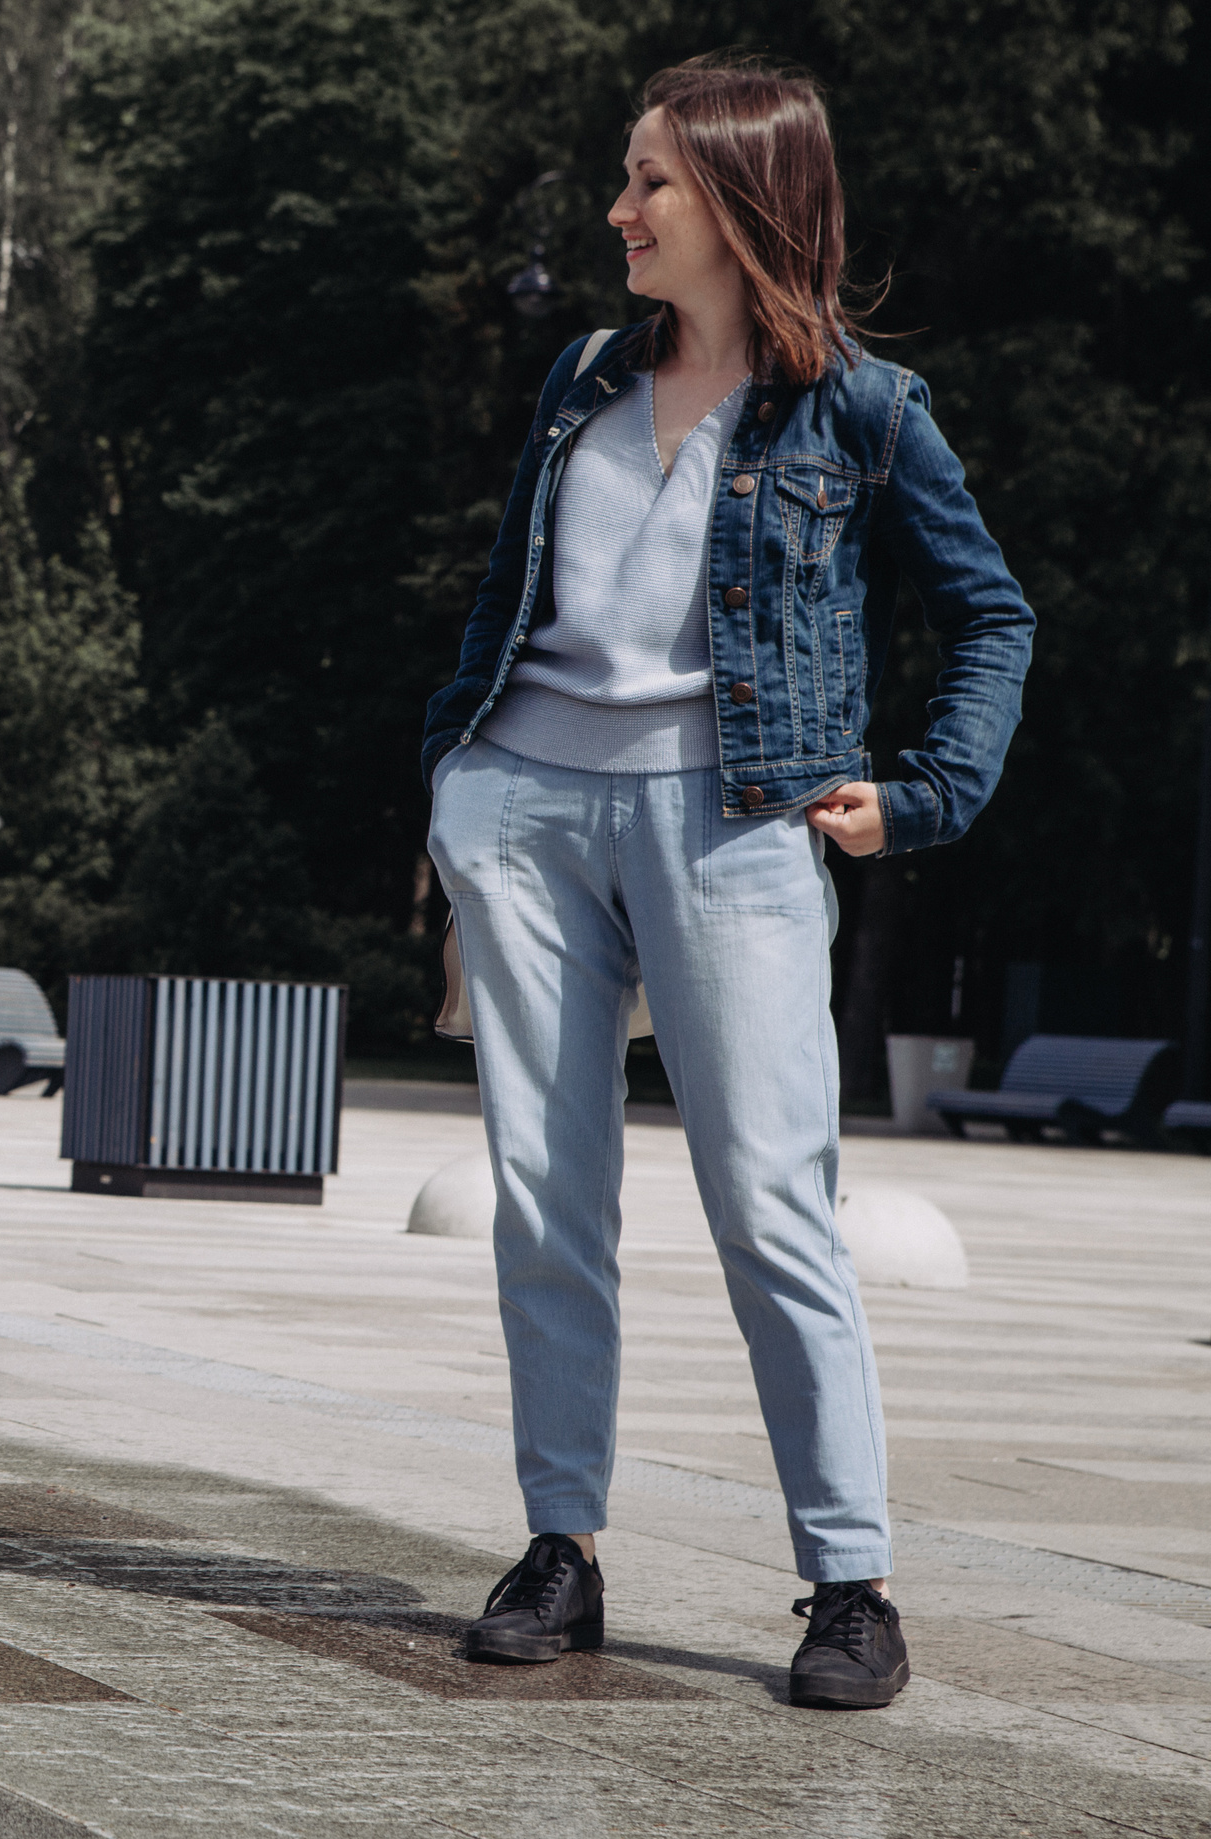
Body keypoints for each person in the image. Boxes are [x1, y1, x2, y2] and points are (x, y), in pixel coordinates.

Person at [420, 56, 1034, 1709]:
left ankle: (851, 1581)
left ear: (744, 203)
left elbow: (993, 614)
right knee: (547, 1197)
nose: (619, 210)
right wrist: (457, 782)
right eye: (626, 179)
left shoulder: (867, 410)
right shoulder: (580, 379)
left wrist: (919, 799)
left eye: (650, 184)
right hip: (531, 808)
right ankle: (564, 1545)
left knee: (772, 1202)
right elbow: (504, 599)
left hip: (736, 815)